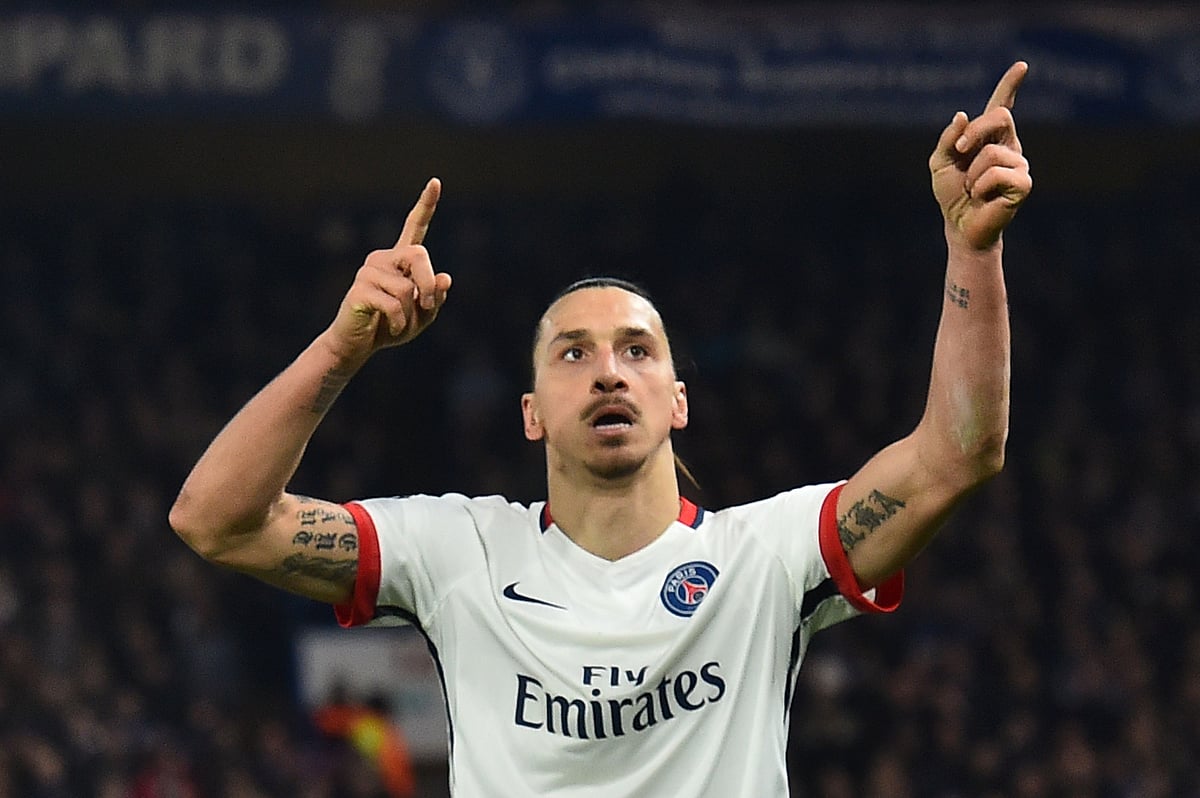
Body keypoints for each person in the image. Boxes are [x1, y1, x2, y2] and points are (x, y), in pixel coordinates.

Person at [170, 61, 1032, 797]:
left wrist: (972, 251)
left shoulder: (762, 559)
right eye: (574, 354)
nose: (610, 370)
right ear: (532, 415)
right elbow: (216, 520)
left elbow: (956, 457)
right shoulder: (456, 554)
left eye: (636, 350)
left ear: (677, 399)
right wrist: (340, 348)